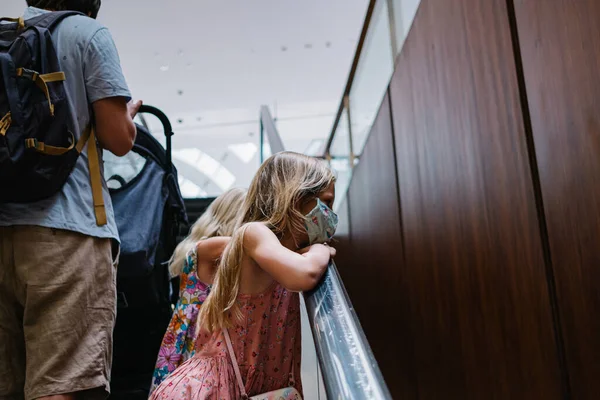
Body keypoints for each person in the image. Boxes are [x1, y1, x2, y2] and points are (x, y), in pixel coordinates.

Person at [0, 1, 141, 399]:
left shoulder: (5, 33)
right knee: (61, 384)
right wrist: (125, 113)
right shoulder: (86, 34)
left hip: (3, 226)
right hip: (67, 235)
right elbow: (118, 138)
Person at [151, 152, 339, 399]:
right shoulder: (253, 234)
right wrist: (320, 249)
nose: (331, 215)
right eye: (326, 203)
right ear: (295, 198)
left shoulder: (281, 255)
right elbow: (303, 276)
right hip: (210, 389)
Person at [151, 188, 248, 392]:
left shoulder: (206, 248)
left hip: (190, 336)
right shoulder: (212, 247)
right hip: (198, 339)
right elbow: (254, 246)